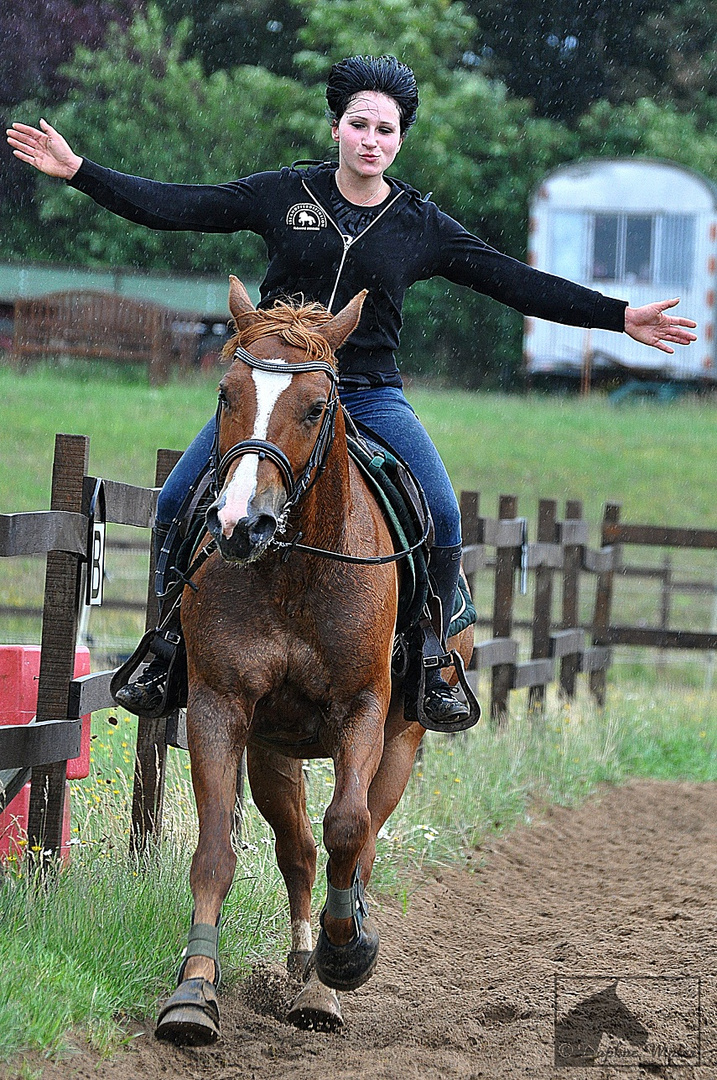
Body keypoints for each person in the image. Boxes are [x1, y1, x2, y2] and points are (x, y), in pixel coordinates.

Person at [7, 55, 697, 727]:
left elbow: (512, 280)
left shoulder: (418, 224)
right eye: (360, 125)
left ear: (400, 140)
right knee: (175, 501)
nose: (372, 141)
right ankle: (163, 648)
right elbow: (177, 207)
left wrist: (618, 316)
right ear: (336, 128)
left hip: (367, 392)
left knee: (445, 515)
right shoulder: (281, 195)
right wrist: (80, 172)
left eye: (386, 130)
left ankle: (429, 659)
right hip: (276, 394)